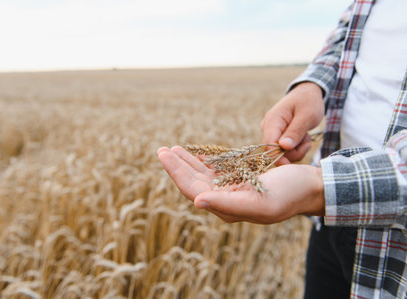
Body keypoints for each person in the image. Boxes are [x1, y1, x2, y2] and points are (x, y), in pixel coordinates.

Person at [158, 0, 406, 298]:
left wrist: (319, 188)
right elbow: (352, 30)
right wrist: (312, 86)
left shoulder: (319, 188)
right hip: (331, 222)